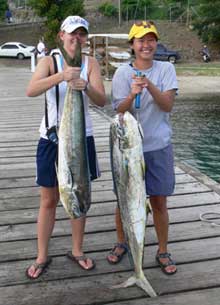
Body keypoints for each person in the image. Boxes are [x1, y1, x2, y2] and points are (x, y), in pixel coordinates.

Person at [26, 15, 107, 279]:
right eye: (72, 33)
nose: (76, 38)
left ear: (85, 38)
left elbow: (101, 100)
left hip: (82, 138)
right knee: (48, 199)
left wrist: (84, 87)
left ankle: (77, 250)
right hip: (51, 139)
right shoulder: (49, 61)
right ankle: (41, 255)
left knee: (80, 193)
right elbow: (31, 90)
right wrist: (61, 76)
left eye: (81, 34)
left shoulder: (91, 63)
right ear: (62, 35)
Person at [107, 21, 178, 275]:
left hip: (158, 146)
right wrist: (131, 93)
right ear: (132, 45)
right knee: (124, 199)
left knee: (159, 200)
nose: (146, 45)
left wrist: (149, 85)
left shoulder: (166, 68)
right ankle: (122, 242)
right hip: (126, 149)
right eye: (140, 40)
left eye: (151, 39)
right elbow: (119, 110)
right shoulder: (122, 74)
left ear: (156, 43)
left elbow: (167, 105)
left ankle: (162, 249)